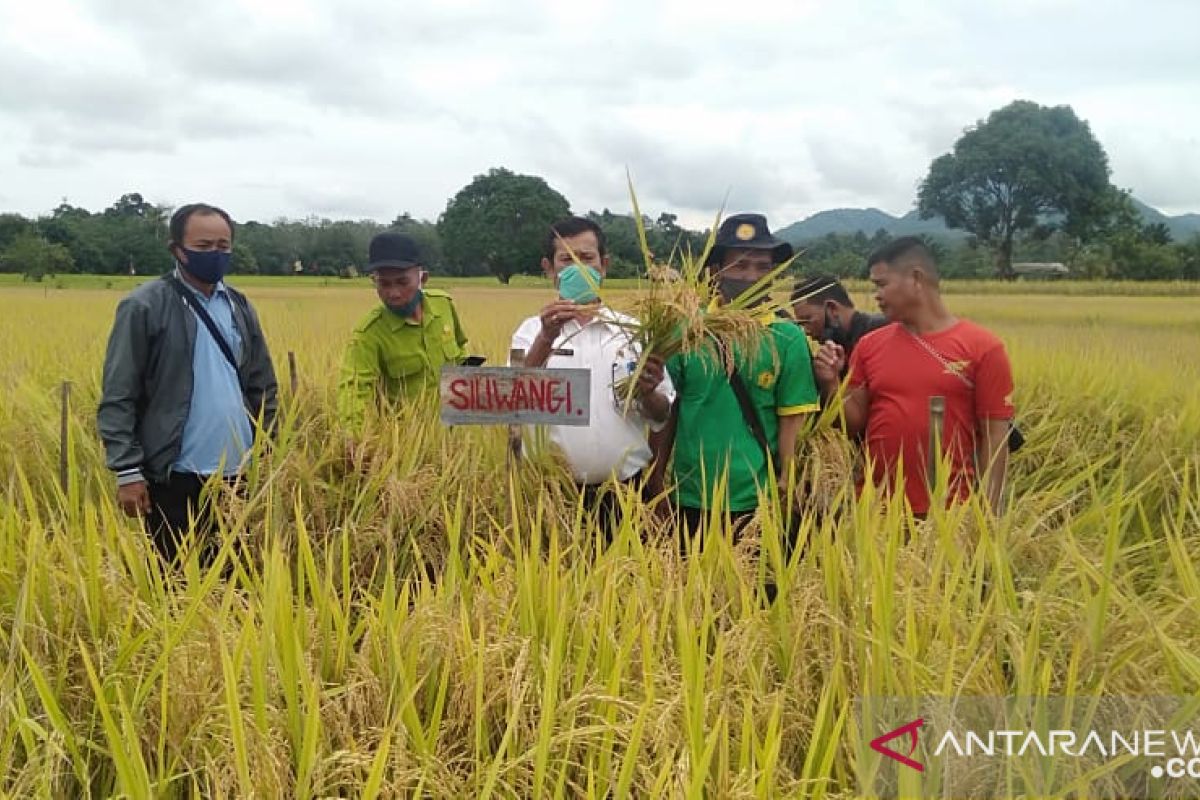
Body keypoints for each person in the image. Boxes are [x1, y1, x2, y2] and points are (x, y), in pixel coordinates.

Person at [98, 203, 278, 566]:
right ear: (176, 249)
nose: (215, 254)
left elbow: (263, 386)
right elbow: (119, 396)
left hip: (237, 476)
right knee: (174, 584)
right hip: (174, 474)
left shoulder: (239, 305)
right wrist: (128, 471)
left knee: (238, 582)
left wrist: (270, 447)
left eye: (223, 247)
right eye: (203, 246)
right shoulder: (144, 306)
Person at [812, 236, 1014, 515]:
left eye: (882, 284)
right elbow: (853, 424)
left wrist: (988, 517)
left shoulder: (983, 347)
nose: (877, 296)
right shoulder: (870, 345)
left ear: (915, 278)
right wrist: (832, 383)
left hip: (949, 513)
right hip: (875, 510)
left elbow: (995, 437)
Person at [658, 213, 821, 545]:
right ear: (716, 271)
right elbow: (668, 411)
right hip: (690, 493)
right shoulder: (686, 329)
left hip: (757, 496)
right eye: (742, 266)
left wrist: (787, 481)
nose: (753, 276)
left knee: (756, 594)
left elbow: (791, 417)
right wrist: (657, 477)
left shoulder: (786, 336)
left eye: (764, 267)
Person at [510, 216, 675, 542]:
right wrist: (547, 337)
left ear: (604, 265)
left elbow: (661, 415)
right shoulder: (529, 331)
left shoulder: (634, 334)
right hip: (555, 496)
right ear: (549, 268)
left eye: (586, 258)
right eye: (566, 260)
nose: (578, 268)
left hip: (626, 494)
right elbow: (513, 402)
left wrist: (650, 393)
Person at [337, 232, 469, 429]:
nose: (394, 293)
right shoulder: (369, 333)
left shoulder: (444, 305)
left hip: (455, 433)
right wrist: (353, 437)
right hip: (406, 441)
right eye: (384, 284)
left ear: (422, 278)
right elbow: (353, 390)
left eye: (402, 282)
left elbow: (460, 355)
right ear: (375, 281)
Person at [791, 273, 889, 361]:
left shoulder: (882, 332)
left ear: (832, 308)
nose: (806, 331)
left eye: (807, 320)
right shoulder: (839, 348)